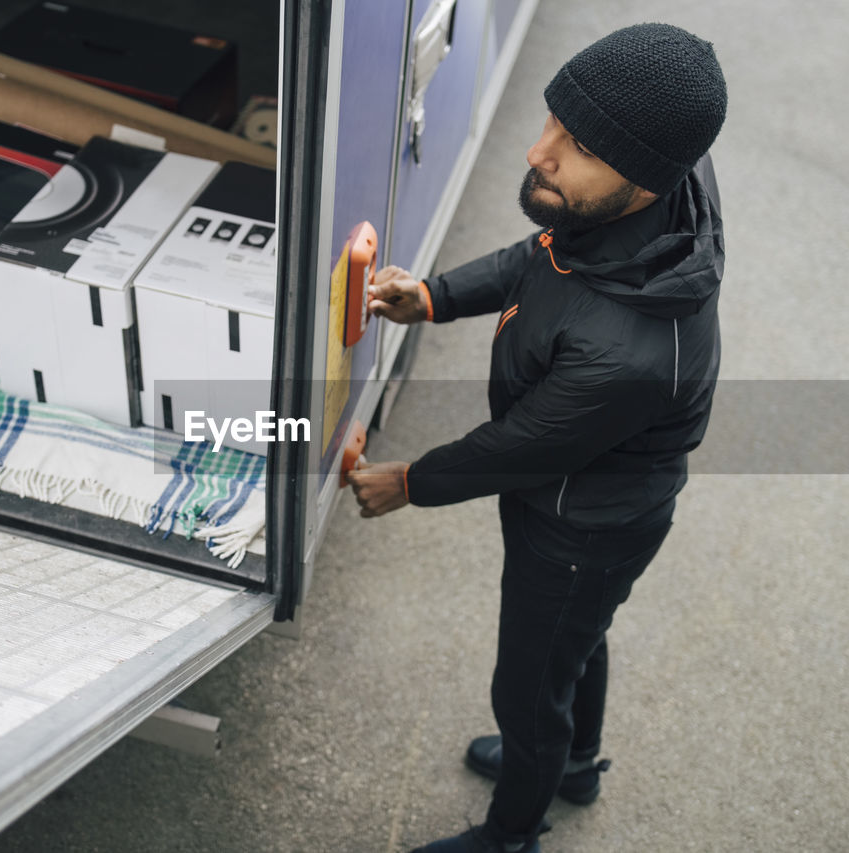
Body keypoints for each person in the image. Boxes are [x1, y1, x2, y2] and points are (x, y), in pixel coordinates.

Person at [344, 22, 728, 853]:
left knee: (527, 689)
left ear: (644, 181)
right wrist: (436, 297)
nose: (537, 150)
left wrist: (408, 480)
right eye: (555, 118)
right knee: (575, 643)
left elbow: (517, 446)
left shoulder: (628, 354)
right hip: (583, 502)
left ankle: (512, 834)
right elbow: (544, 248)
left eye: (574, 145)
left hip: (580, 525)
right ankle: (577, 763)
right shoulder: (646, 175)